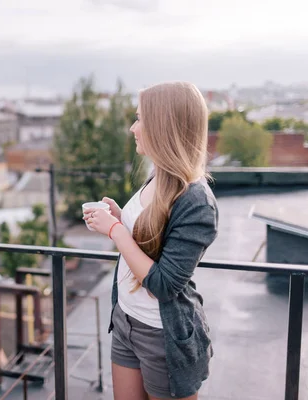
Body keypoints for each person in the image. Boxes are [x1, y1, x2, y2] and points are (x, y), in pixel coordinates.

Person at [84, 81, 219, 400]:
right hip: (126, 320)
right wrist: (122, 219)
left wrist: (115, 231)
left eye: (140, 118)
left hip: (162, 335)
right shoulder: (158, 178)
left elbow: (163, 283)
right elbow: (150, 241)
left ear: (163, 127)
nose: (133, 128)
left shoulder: (196, 202)